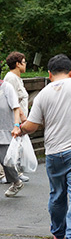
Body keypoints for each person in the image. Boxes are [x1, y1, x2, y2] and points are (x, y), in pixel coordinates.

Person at [13, 54, 71, 239]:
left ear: (50, 74)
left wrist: (20, 129)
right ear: (70, 71)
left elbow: (33, 125)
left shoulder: (43, 94)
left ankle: (59, 233)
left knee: (57, 194)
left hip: (52, 152)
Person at [4, 51, 30, 182]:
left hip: (20, 118)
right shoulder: (11, 78)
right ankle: (11, 174)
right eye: (24, 62)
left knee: (16, 146)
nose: (25, 65)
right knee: (10, 146)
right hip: (15, 119)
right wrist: (22, 116)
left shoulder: (17, 78)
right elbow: (14, 101)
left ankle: (16, 172)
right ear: (17, 64)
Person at [0, 69, 23, 197]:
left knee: (6, 161)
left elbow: (16, 107)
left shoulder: (6, 87)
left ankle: (16, 182)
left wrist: (16, 125)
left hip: (5, 130)